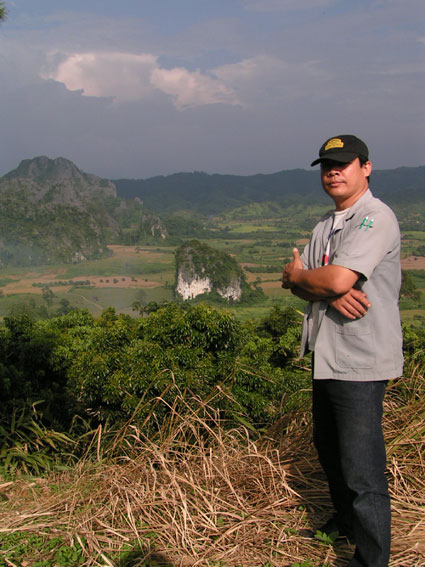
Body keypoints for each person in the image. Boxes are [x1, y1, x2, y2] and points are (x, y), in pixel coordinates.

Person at [281, 134, 403, 567]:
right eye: (327, 166)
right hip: (328, 354)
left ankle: (371, 559)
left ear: (365, 168)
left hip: (361, 359)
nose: (333, 172)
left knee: (361, 468)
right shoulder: (324, 226)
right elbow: (306, 284)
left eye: (343, 164)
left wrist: (311, 280)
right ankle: (347, 522)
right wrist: (318, 286)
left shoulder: (374, 218)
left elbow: (324, 279)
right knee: (329, 448)